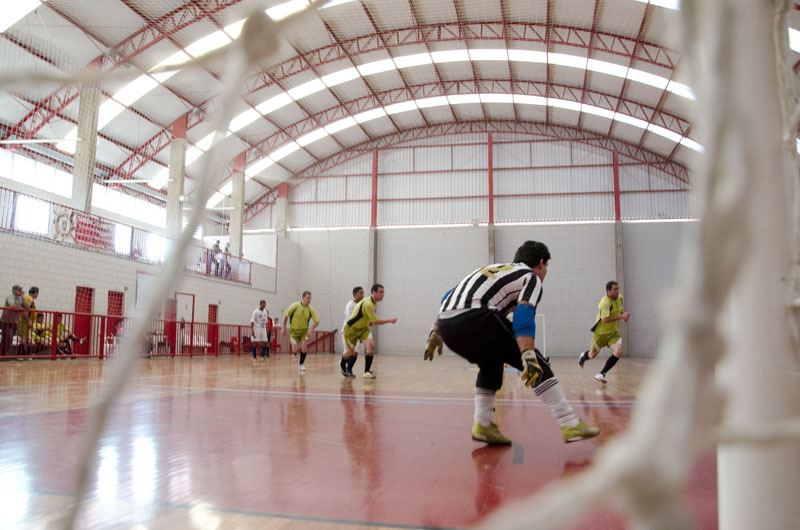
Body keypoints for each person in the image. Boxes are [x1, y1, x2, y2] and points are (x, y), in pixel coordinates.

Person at [429, 240, 599, 445]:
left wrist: (436, 331)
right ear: (541, 263)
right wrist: (526, 353)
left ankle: (483, 424)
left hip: (448, 325)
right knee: (536, 362)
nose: (545, 272)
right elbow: (523, 311)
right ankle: (570, 423)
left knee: (490, 363)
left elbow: (447, 296)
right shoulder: (530, 277)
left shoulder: (490, 269)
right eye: (546, 267)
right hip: (477, 318)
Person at [578, 280, 630, 384]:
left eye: (618, 289)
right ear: (608, 291)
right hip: (601, 333)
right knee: (592, 355)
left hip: (613, 333)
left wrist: (623, 315)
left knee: (619, 351)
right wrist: (621, 317)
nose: (617, 291)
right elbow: (604, 320)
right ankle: (584, 355)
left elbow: (619, 310)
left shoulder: (620, 298)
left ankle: (602, 373)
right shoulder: (605, 302)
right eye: (615, 289)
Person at [340, 284, 397, 379]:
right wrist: (389, 320)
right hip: (351, 330)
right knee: (350, 352)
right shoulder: (368, 304)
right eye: (381, 292)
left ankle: (366, 372)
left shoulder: (373, 302)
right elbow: (376, 321)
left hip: (363, 329)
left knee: (371, 345)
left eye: (383, 292)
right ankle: (342, 364)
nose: (383, 294)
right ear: (374, 292)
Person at [283, 292, 320, 372]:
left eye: (310, 298)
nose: (309, 300)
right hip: (294, 331)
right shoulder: (295, 305)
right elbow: (286, 316)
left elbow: (317, 321)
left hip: (304, 331)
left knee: (304, 347)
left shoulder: (310, 309)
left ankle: (301, 365)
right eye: (308, 298)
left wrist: (311, 329)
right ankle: (294, 353)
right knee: (295, 348)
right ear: (303, 298)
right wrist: (283, 328)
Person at [340, 286, 365, 369]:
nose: (362, 295)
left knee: (355, 352)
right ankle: (343, 365)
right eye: (360, 293)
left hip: (357, 331)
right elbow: (352, 320)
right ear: (355, 294)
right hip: (348, 331)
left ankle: (349, 369)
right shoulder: (350, 305)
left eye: (363, 293)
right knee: (350, 351)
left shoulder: (363, 304)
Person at [1, 285, 24, 357]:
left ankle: (2, 354)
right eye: (19, 290)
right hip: (6, 322)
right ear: (14, 290)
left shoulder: (20, 299)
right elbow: (12, 305)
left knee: (7, 339)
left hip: (14, 322)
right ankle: (2, 354)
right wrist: (21, 308)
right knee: (8, 339)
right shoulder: (10, 296)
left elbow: (26, 306)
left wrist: (23, 297)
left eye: (20, 290)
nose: (20, 291)